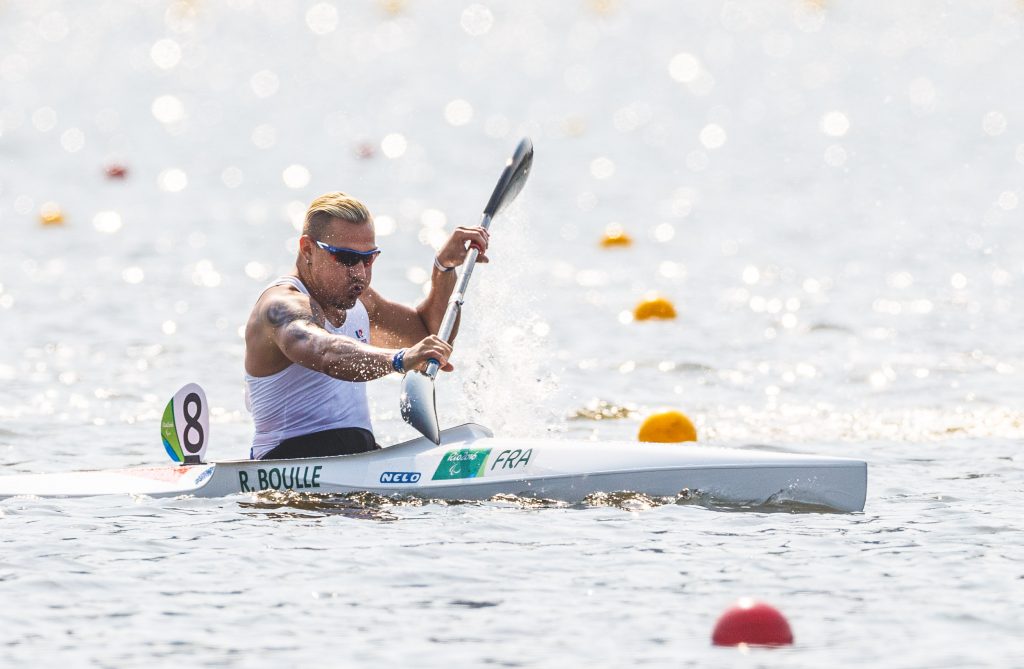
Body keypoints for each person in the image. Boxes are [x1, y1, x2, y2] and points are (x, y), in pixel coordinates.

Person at [243, 192, 489, 460]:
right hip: (287, 463)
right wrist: (400, 360)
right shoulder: (279, 306)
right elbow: (324, 351)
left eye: (368, 259)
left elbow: (429, 334)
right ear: (307, 250)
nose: (360, 273)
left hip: (358, 456)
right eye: (346, 259)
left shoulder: (361, 300)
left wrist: (444, 267)